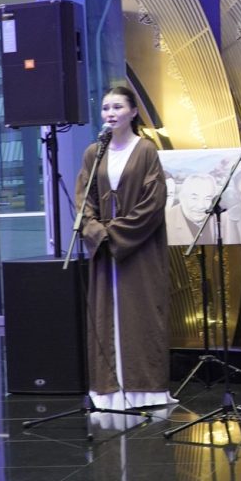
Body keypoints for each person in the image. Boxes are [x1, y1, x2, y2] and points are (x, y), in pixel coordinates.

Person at [75, 83, 175, 412]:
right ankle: (108, 391)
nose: (110, 113)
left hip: (139, 247)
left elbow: (153, 201)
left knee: (141, 313)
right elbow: (84, 200)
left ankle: (146, 391)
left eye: (118, 107)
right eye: (106, 108)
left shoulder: (145, 150)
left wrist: (114, 234)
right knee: (105, 314)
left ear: (133, 112)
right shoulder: (94, 152)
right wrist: (95, 231)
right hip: (105, 249)